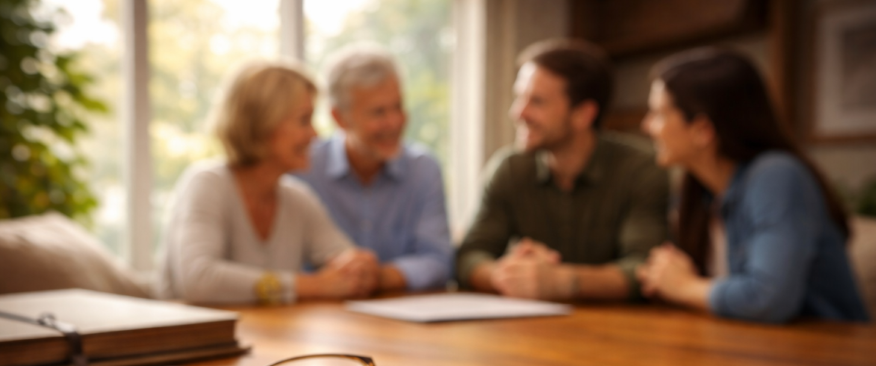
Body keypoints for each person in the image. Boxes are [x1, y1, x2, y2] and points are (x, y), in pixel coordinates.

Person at [637, 48, 868, 323]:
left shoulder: (777, 176)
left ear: (702, 131)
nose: (646, 126)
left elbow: (768, 300)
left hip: (827, 356)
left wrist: (685, 287)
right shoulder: (698, 192)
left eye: (658, 114)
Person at [456, 39, 669, 301]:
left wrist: (561, 281)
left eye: (537, 101)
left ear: (583, 114)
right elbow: (468, 256)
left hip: (619, 330)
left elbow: (645, 268)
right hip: (530, 331)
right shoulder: (510, 169)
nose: (517, 113)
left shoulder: (641, 170)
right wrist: (508, 274)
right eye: (519, 97)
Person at [159, 60, 379, 305]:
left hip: (271, 338)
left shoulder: (297, 198)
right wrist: (313, 285)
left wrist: (359, 267)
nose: (315, 134)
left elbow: (344, 260)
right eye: (304, 120)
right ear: (263, 123)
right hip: (192, 340)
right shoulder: (206, 184)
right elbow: (198, 282)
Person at [294, 44, 452, 292]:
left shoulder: (424, 169)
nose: (395, 122)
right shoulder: (303, 168)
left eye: (398, 106)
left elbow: (438, 261)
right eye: (379, 112)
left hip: (401, 320)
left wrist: (376, 276)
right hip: (319, 313)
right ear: (339, 118)